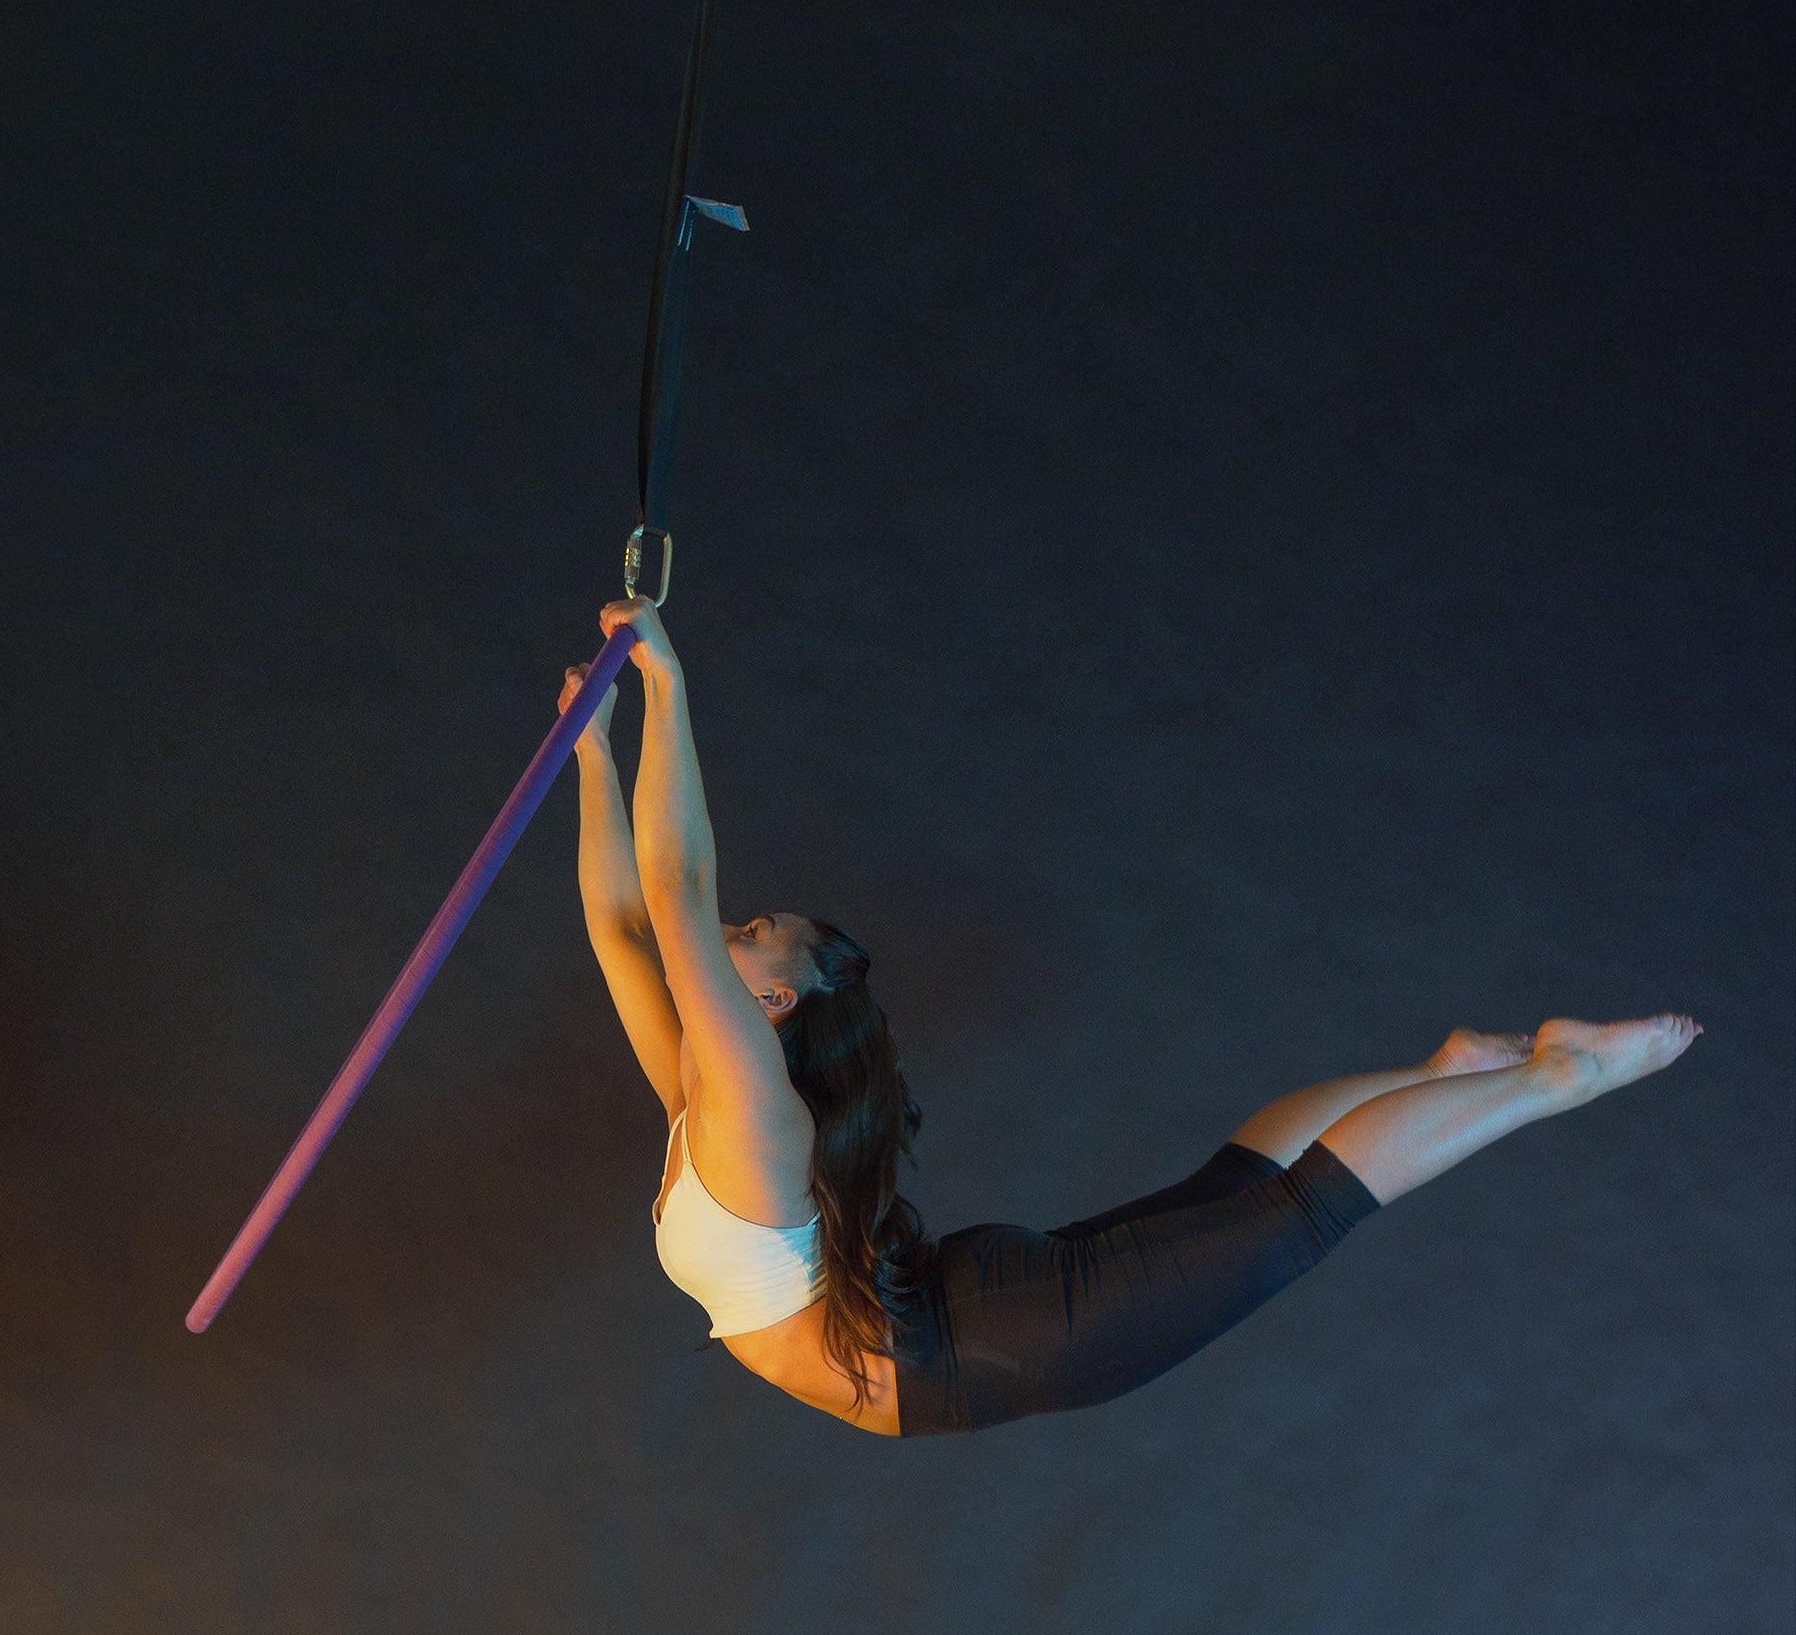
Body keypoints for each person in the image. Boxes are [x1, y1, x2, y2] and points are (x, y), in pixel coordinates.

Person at [562, 597, 1703, 1438]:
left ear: (770, 1000)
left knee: (1293, 1213)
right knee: (1236, 1191)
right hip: (978, 1324)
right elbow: (628, 923)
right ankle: (1442, 1071)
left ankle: (1559, 1076)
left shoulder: (752, 1110)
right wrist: (595, 748)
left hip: (983, 1341)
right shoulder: (714, 1099)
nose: (728, 927)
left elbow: (671, 892)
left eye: (749, 928)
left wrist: (666, 687)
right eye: (753, 922)